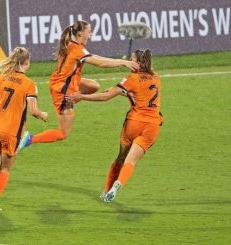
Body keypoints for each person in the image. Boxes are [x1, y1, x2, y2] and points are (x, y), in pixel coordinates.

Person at [18, 20, 139, 151]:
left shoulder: (70, 44)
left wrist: (120, 61)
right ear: (80, 34)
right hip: (63, 90)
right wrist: (123, 62)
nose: (91, 34)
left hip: (61, 82)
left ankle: (74, 98)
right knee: (63, 133)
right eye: (89, 31)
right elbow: (99, 63)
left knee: (94, 86)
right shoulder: (77, 50)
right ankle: (30, 139)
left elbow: (94, 56)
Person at [68, 49, 163, 203]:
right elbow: (141, 93)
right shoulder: (156, 78)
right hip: (152, 126)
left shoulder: (131, 79)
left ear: (137, 63)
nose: (128, 61)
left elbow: (106, 96)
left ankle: (106, 190)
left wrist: (82, 96)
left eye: (131, 59)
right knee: (131, 162)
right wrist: (124, 92)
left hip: (134, 123)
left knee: (121, 158)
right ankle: (117, 186)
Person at [0, 47, 48, 211]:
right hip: (11, 131)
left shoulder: (1, 77)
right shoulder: (30, 84)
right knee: (5, 168)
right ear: (27, 62)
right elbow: (33, 111)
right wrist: (43, 114)